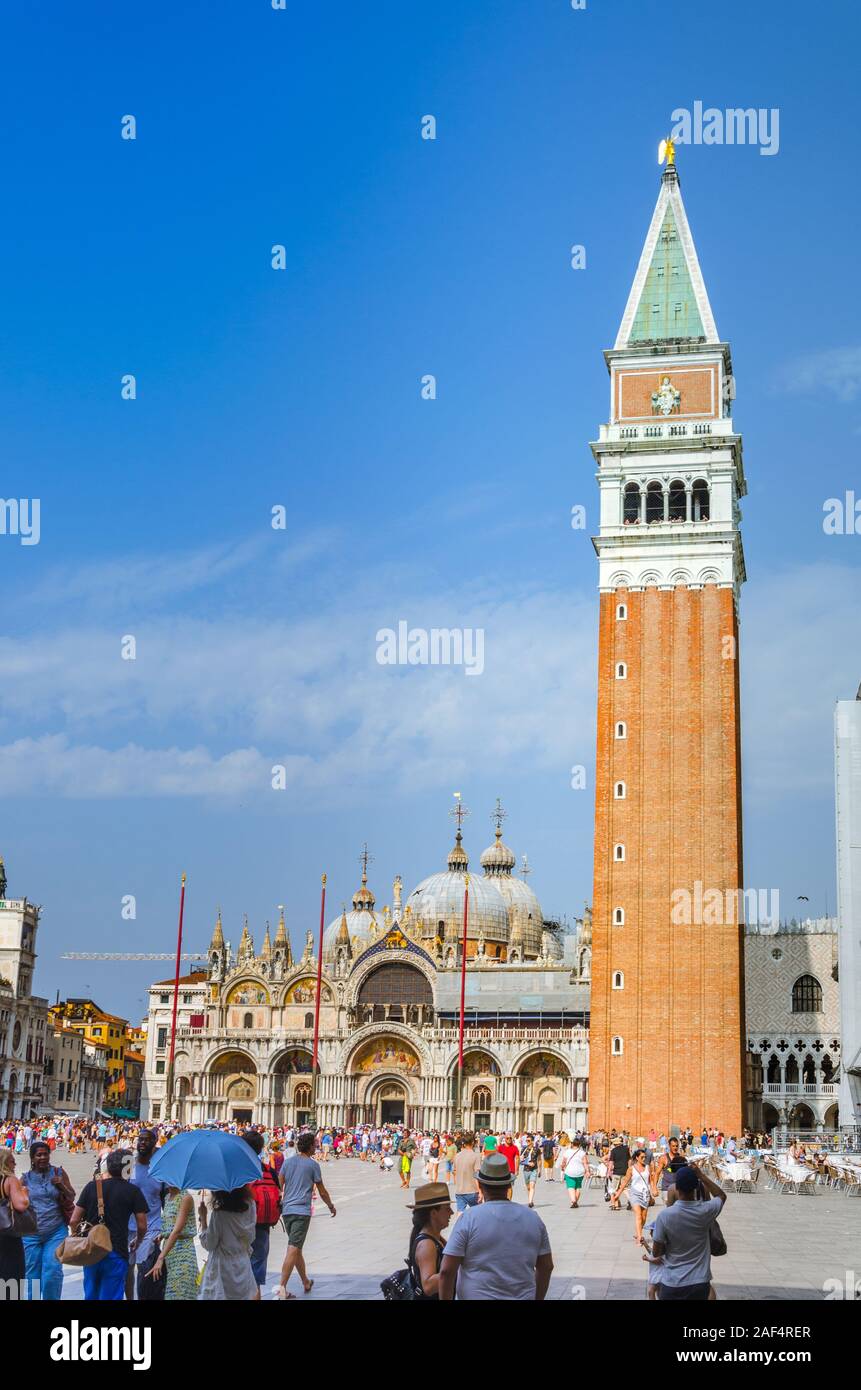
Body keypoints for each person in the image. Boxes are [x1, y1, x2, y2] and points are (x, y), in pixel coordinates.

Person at [438, 1151, 553, 1301]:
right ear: (509, 1185)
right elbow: (546, 1266)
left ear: (480, 1184)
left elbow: (447, 1271)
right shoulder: (533, 1218)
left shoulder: (469, 1218)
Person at [70, 1148, 148, 1301]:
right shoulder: (133, 1191)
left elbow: (74, 1220)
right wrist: (137, 1241)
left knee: (91, 1293)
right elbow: (142, 1225)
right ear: (128, 1168)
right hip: (116, 1250)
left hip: (92, 1251)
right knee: (111, 1294)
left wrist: (78, 1238)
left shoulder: (91, 1187)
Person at [651, 1162, 727, 1301]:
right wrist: (701, 1175)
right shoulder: (706, 1210)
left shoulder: (665, 1216)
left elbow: (656, 1252)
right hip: (699, 1282)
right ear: (695, 1187)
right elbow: (721, 1196)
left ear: (676, 1187)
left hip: (672, 1282)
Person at [277, 1131, 336, 1299]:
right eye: (314, 1145)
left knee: (296, 1248)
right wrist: (331, 1206)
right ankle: (282, 1286)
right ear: (310, 1146)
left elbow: (279, 1182)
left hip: (287, 1211)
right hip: (301, 1212)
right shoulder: (312, 1165)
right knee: (293, 1248)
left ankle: (305, 1281)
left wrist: (283, 1197)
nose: (316, 1148)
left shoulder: (288, 1163)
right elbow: (322, 1191)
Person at [21, 1140, 74, 1300]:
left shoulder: (58, 1173)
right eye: (39, 1155)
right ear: (32, 1158)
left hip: (55, 1231)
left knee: (52, 1269)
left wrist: (61, 1186)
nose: (43, 1158)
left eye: (46, 1154)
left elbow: (71, 1196)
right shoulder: (24, 1179)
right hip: (31, 1233)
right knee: (33, 1273)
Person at [198, 1186, 258, 1300]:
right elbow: (251, 1237)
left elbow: (209, 1244)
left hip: (222, 1269)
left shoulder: (219, 1214)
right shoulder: (250, 1205)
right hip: (242, 1264)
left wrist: (203, 1219)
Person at [243, 1129, 281, 1291]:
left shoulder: (240, 1171)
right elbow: (278, 1194)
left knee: (238, 1273)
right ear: (260, 1148)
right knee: (256, 1277)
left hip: (239, 1227)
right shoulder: (268, 1171)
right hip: (262, 1226)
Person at [128, 1129, 165, 1301]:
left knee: (146, 1270)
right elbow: (122, 1190)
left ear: (154, 1143)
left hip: (152, 1226)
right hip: (128, 1226)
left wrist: (165, 1228)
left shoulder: (160, 1168)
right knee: (127, 1270)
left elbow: (165, 1198)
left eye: (147, 1140)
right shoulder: (128, 1163)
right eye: (140, 1139)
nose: (142, 1142)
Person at [146, 1187, 198, 1299]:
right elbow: (170, 1226)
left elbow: (177, 1231)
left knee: (180, 1295)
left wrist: (160, 1258)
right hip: (170, 1256)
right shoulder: (167, 1197)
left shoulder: (186, 1198)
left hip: (183, 1254)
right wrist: (163, 1234)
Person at [405, 1182, 452, 1299]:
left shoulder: (436, 1238)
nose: (451, 1212)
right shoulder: (427, 1245)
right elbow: (428, 1286)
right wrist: (455, 1269)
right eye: (447, 1209)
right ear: (434, 1213)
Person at [0, 1149, 31, 1288]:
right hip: (7, 1234)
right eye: (12, 1161)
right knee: (12, 1278)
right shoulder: (10, 1180)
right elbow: (21, 1205)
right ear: (5, 1162)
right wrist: (24, 1193)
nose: (15, 1163)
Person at [613, 1148, 654, 1242]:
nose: (644, 1159)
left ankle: (637, 1233)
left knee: (644, 1218)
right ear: (637, 1158)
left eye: (645, 1157)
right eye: (642, 1157)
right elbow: (625, 1182)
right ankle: (639, 1237)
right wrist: (618, 1194)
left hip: (645, 1194)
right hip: (635, 1193)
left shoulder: (648, 1167)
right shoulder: (631, 1169)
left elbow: (650, 1180)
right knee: (638, 1215)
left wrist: (653, 1189)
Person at [452, 1131, 480, 1213]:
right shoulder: (476, 1156)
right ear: (472, 1142)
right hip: (472, 1190)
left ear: (463, 1143)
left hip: (459, 1191)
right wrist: (480, 1191)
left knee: (460, 1213)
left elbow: (454, 1172)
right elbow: (477, 1175)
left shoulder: (457, 1156)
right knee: (477, 1213)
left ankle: (459, 1225)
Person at [562, 1139, 591, 1209]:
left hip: (569, 1171)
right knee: (578, 1187)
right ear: (579, 1145)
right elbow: (585, 1163)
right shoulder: (582, 1153)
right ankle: (575, 1202)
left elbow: (564, 1162)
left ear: (572, 1144)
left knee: (571, 1187)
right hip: (580, 1172)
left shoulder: (567, 1152)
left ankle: (573, 1200)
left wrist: (562, 1167)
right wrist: (587, 1171)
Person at [608, 1135, 631, 1208]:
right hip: (625, 1171)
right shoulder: (626, 1149)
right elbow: (629, 1160)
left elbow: (611, 1162)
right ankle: (630, 1199)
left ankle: (614, 1204)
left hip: (617, 1172)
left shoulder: (613, 1151)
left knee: (614, 1188)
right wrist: (629, 1168)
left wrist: (609, 1171)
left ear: (615, 1144)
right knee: (625, 1188)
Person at [521, 1136, 542, 1207]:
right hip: (526, 1170)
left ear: (532, 1141)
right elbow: (521, 1161)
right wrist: (527, 1163)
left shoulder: (537, 1149)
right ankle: (530, 1199)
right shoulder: (524, 1149)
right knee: (528, 1187)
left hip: (534, 1170)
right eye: (526, 1141)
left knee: (532, 1185)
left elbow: (539, 1160)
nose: (527, 1142)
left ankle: (530, 1202)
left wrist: (539, 1170)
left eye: (529, 1141)